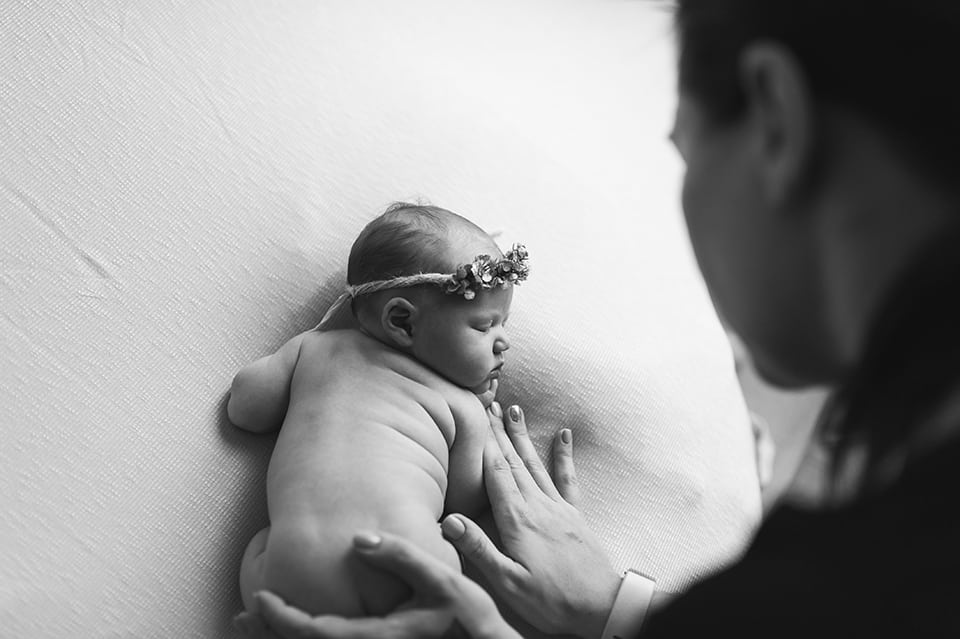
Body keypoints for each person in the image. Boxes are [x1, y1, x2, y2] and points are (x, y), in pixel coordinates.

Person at [235, 0, 960, 636]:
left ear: (775, 119)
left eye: (684, 151)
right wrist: (616, 607)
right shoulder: (890, 524)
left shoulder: (865, 555)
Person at [227, 202, 528, 618]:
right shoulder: (461, 408)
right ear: (402, 322)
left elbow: (245, 410)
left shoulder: (315, 350)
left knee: (260, 545)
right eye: (484, 326)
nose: (502, 342)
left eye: (503, 325)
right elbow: (461, 504)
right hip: (408, 570)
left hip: (291, 572)